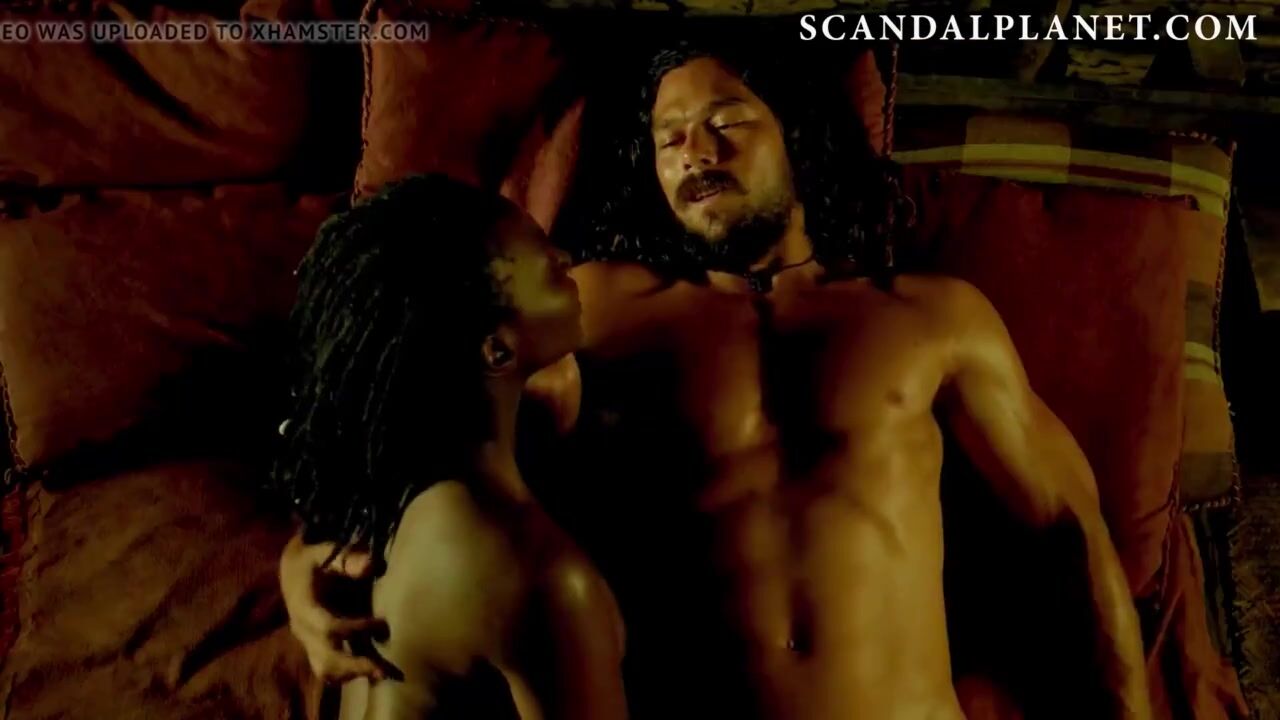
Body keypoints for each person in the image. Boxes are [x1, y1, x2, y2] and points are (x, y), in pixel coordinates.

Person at [281, 45, 1150, 720]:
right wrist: (303, 556)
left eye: (726, 121)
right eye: (668, 140)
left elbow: (1070, 532)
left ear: (796, 137)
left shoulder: (935, 315)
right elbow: (428, 417)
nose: (694, 152)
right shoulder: (594, 307)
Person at [274, 174, 627, 720]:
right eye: (549, 269)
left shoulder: (393, 501)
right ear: (497, 351)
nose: (567, 259)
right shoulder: (540, 578)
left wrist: (294, 561)